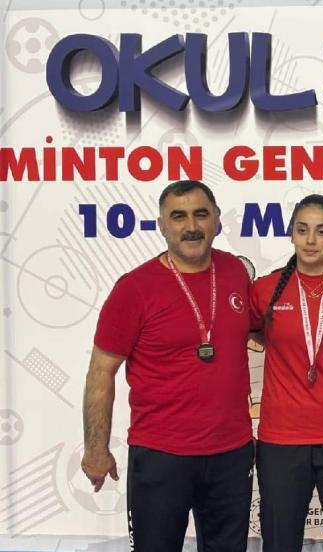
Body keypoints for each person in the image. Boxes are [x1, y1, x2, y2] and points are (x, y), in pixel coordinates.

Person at [81, 180, 254, 552]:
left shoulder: (235, 272)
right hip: (161, 456)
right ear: (161, 226)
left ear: (217, 220)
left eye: (200, 214)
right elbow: (101, 371)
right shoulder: (134, 289)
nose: (191, 226)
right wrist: (96, 449)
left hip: (231, 452)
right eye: (178, 216)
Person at [249, 194, 323, 552]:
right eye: (302, 230)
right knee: (280, 542)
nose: (311, 240)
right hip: (282, 437)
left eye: (322, 231)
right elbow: (257, 335)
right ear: (291, 234)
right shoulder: (265, 289)